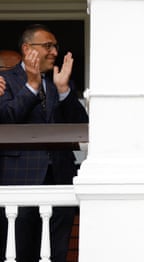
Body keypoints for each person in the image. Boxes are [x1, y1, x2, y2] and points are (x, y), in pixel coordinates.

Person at [0, 24, 89, 262]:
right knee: (19, 252)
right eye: (48, 46)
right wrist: (31, 86)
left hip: (60, 177)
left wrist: (63, 91)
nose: (54, 52)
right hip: (19, 179)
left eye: (55, 47)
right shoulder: (5, 81)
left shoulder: (59, 82)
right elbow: (7, 118)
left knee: (56, 253)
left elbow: (82, 126)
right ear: (27, 48)